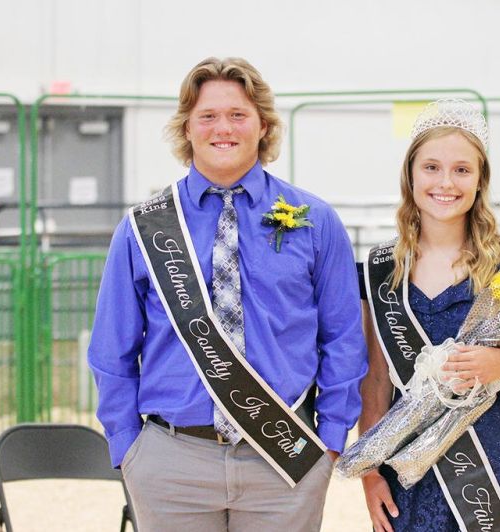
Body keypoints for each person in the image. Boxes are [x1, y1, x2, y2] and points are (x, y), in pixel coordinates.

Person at [88, 56, 367, 532]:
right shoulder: (143, 229)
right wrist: (129, 447)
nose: (224, 128)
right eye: (208, 116)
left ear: (263, 125)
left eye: (238, 115)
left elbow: (342, 336)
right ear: (187, 128)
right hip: (171, 462)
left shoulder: (316, 221)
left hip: (285, 456)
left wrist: (331, 439)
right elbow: (112, 349)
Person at [357, 99, 500, 532]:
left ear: (479, 181)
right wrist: (369, 472)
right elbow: (376, 379)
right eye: (431, 167)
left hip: (491, 450)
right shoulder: (381, 267)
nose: (446, 183)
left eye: (462, 169)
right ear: (411, 176)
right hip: (407, 452)